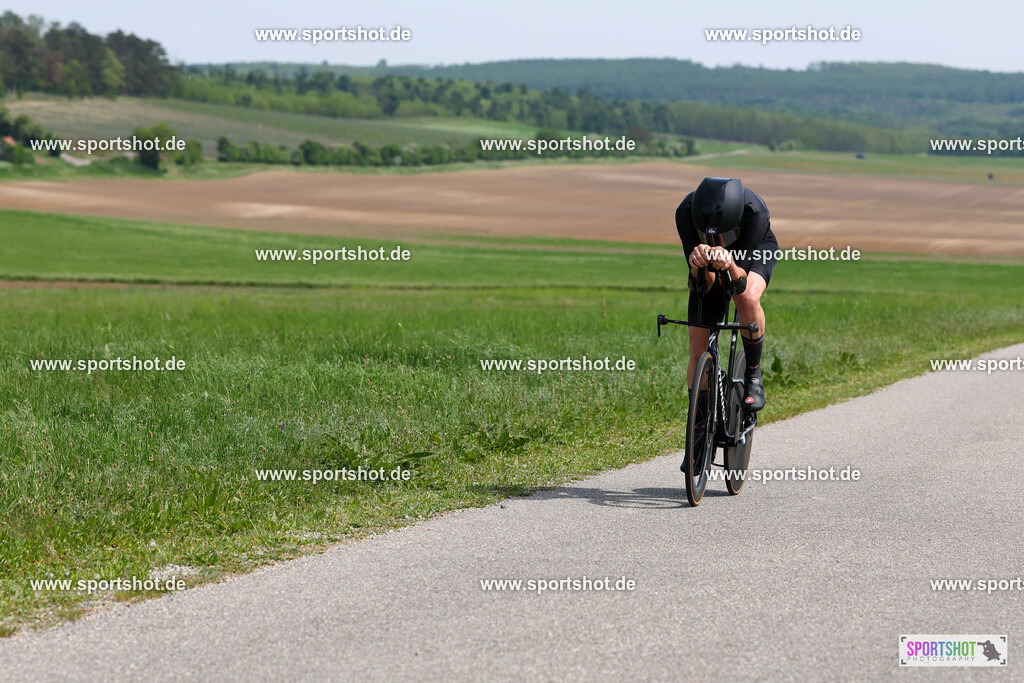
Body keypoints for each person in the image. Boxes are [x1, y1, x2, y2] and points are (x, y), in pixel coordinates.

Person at [674, 177, 778, 412]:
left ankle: (753, 373)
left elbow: (738, 283)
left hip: (753, 250)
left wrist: (729, 263)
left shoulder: (755, 212)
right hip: (710, 256)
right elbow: (702, 283)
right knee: (697, 343)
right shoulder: (685, 212)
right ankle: (699, 424)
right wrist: (696, 263)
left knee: (747, 297)